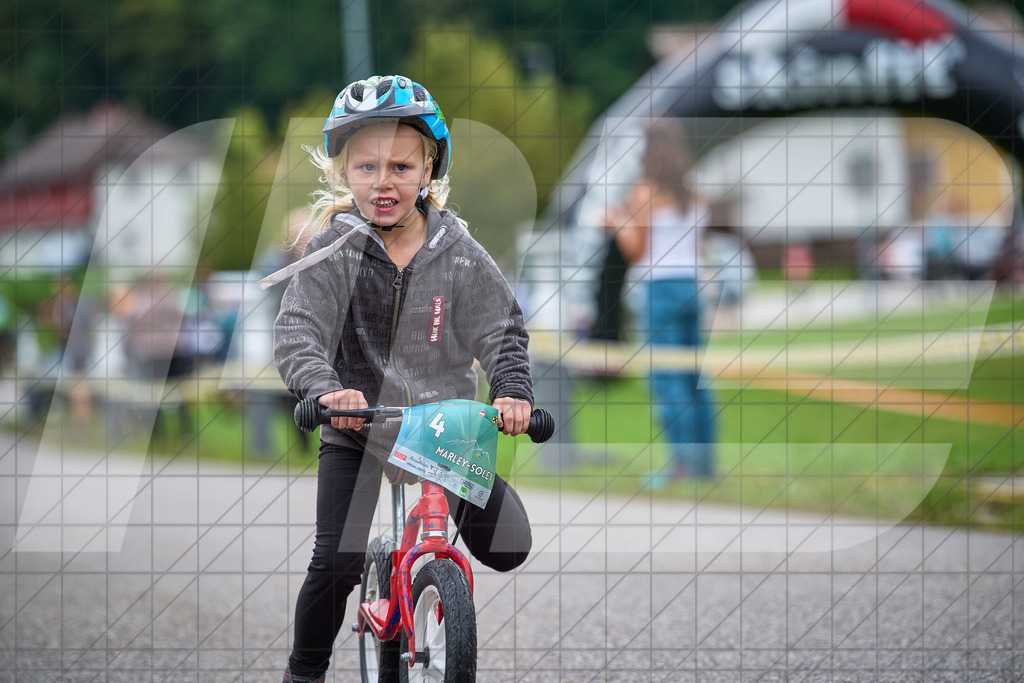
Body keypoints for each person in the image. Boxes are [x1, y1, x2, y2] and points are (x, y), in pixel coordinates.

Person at [267, 75, 535, 682]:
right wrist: (324, 390)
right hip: (358, 426)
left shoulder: (458, 251)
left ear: (428, 168)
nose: (383, 182)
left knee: (508, 545)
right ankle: (304, 673)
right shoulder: (333, 252)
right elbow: (298, 331)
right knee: (336, 562)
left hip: (445, 427)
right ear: (343, 172)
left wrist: (512, 390)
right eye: (366, 167)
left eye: (400, 166)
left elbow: (502, 330)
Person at [607, 118, 715, 482]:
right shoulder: (693, 192)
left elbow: (637, 251)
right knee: (694, 378)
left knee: (667, 379)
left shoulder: (645, 191)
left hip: (660, 289)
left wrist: (618, 223)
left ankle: (681, 466)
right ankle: (704, 466)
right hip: (693, 286)